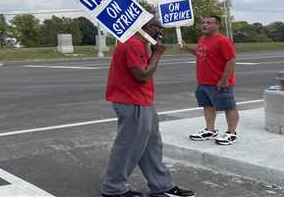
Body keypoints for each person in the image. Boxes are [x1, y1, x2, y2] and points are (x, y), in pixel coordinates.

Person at [101, 17, 195, 197]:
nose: (160, 33)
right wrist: (158, 54)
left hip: (142, 100)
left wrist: (153, 53)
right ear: (148, 26)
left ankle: (162, 186)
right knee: (128, 146)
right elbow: (142, 76)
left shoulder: (138, 44)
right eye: (159, 28)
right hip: (132, 101)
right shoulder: (132, 44)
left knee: (152, 146)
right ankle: (113, 189)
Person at [181, 15, 238, 145]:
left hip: (219, 82)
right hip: (203, 82)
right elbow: (201, 53)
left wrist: (224, 79)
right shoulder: (203, 39)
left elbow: (231, 60)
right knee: (207, 106)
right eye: (203, 23)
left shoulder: (223, 41)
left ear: (217, 25)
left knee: (229, 107)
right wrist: (187, 48)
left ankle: (231, 133)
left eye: (209, 23)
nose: (204, 25)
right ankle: (210, 130)